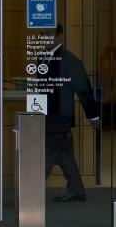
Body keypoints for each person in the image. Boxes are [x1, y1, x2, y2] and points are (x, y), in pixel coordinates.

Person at [40, 24, 100, 202]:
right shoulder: (42, 58)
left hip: (60, 118)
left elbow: (84, 89)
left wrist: (93, 115)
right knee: (65, 156)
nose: (44, 38)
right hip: (47, 117)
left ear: (59, 37)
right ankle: (76, 189)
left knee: (45, 157)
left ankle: (30, 191)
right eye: (42, 34)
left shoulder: (70, 60)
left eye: (48, 34)